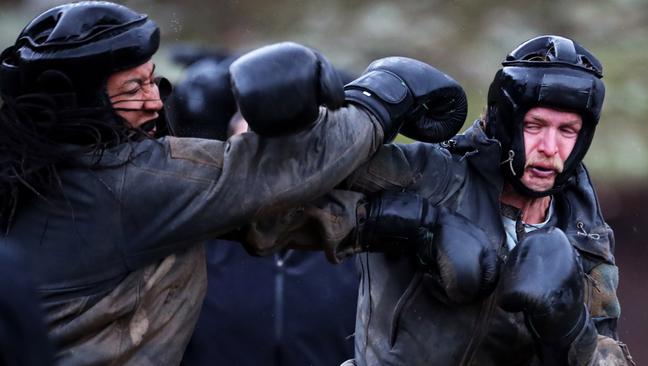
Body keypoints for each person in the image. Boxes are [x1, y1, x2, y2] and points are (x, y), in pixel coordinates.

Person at [0, 2, 467, 365]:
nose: (154, 103)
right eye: (131, 90)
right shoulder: (116, 183)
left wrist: (368, 223)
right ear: (79, 103)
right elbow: (268, 172)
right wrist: (383, 95)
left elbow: (229, 218)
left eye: (151, 82)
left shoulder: (42, 170)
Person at [242, 35, 636, 365]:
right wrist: (368, 104)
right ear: (507, 120)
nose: (550, 147)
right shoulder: (432, 176)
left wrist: (571, 326)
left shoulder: (584, 229)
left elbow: (609, 355)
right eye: (535, 125)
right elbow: (292, 182)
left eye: (568, 130)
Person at [168, 56, 359, 366]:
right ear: (231, 136)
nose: (272, 146)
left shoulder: (367, 233)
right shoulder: (190, 230)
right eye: (255, 128)